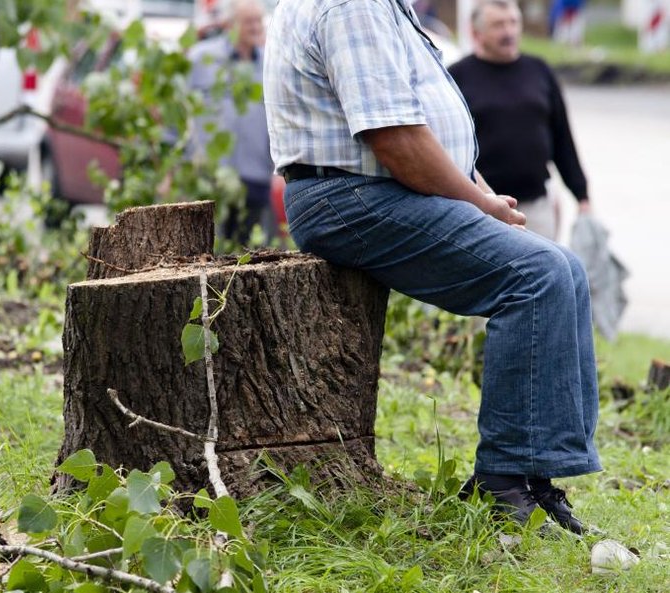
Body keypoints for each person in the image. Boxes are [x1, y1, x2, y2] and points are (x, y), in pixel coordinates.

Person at [264, 0, 598, 535]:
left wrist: (485, 197)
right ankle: (503, 483)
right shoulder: (354, 6)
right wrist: (477, 202)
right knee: (537, 275)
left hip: (379, 189)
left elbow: (426, 130)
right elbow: (394, 138)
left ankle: (535, 474)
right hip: (350, 196)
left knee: (564, 268)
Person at [448, 0, 591, 242]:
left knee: (546, 274)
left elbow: (562, 138)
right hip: (480, 208)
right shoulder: (457, 77)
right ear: (476, 32)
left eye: (513, 23)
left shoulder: (539, 71)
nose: (508, 32)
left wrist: (582, 196)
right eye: (498, 25)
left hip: (536, 207)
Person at [188, 0, 275, 244]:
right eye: (249, 22)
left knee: (249, 252)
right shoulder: (203, 58)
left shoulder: (269, 63)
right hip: (211, 176)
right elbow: (181, 108)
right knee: (207, 248)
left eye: (259, 21)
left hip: (256, 174)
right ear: (229, 25)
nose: (256, 27)